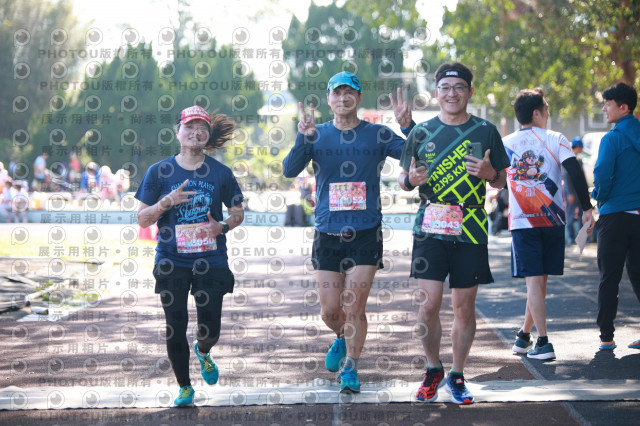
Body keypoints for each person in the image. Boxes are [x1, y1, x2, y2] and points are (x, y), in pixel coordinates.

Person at [282, 71, 411, 393]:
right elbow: (288, 170)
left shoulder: (377, 134)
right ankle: (341, 335)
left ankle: (351, 367)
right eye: (336, 93)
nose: (343, 98)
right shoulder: (317, 134)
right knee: (329, 311)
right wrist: (303, 138)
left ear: (359, 97)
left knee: (355, 306)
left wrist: (408, 127)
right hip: (328, 233)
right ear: (329, 99)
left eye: (349, 92)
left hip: (366, 232)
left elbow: (416, 153)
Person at [395, 62, 509, 404]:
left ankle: (457, 375)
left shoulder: (486, 130)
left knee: (464, 307)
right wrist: (409, 180)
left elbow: (502, 180)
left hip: (471, 226)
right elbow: (402, 178)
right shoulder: (420, 132)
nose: (452, 93)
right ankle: (433, 369)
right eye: (445, 87)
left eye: (459, 87)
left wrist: (490, 174)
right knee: (429, 304)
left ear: (470, 92)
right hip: (430, 224)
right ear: (436, 93)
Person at [135, 105, 244, 407]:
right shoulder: (158, 172)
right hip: (172, 261)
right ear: (177, 131)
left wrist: (221, 227)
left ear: (208, 135)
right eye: (189, 126)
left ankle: (204, 350)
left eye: (202, 128)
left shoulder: (221, 173)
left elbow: (238, 213)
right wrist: (166, 202)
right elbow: (142, 219)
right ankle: (184, 387)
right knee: (175, 324)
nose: (195, 132)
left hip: (211, 260)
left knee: (211, 329)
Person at [503, 88, 594, 360]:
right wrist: (587, 208)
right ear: (537, 113)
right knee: (539, 282)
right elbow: (575, 171)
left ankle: (542, 342)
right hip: (553, 219)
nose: (548, 114)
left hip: (523, 222)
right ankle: (524, 335)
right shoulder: (557, 138)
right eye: (547, 109)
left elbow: (495, 179)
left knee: (534, 282)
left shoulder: (505, 143)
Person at [591, 82, 640, 351]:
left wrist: (599, 196)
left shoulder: (611, 138)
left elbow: (602, 175)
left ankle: (607, 337)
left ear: (623, 107)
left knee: (609, 277)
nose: (604, 109)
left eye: (607, 104)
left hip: (614, 215)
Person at [562, 137, 586, 244]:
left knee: (582, 214)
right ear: (578, 147)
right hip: (571, 192)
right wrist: (570, 193)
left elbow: (582, 178)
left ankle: (581, 237)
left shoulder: (579, 160)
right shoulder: (568, 159)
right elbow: (566, 177)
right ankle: (571, 236)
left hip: (579, 192)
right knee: (571, 214)